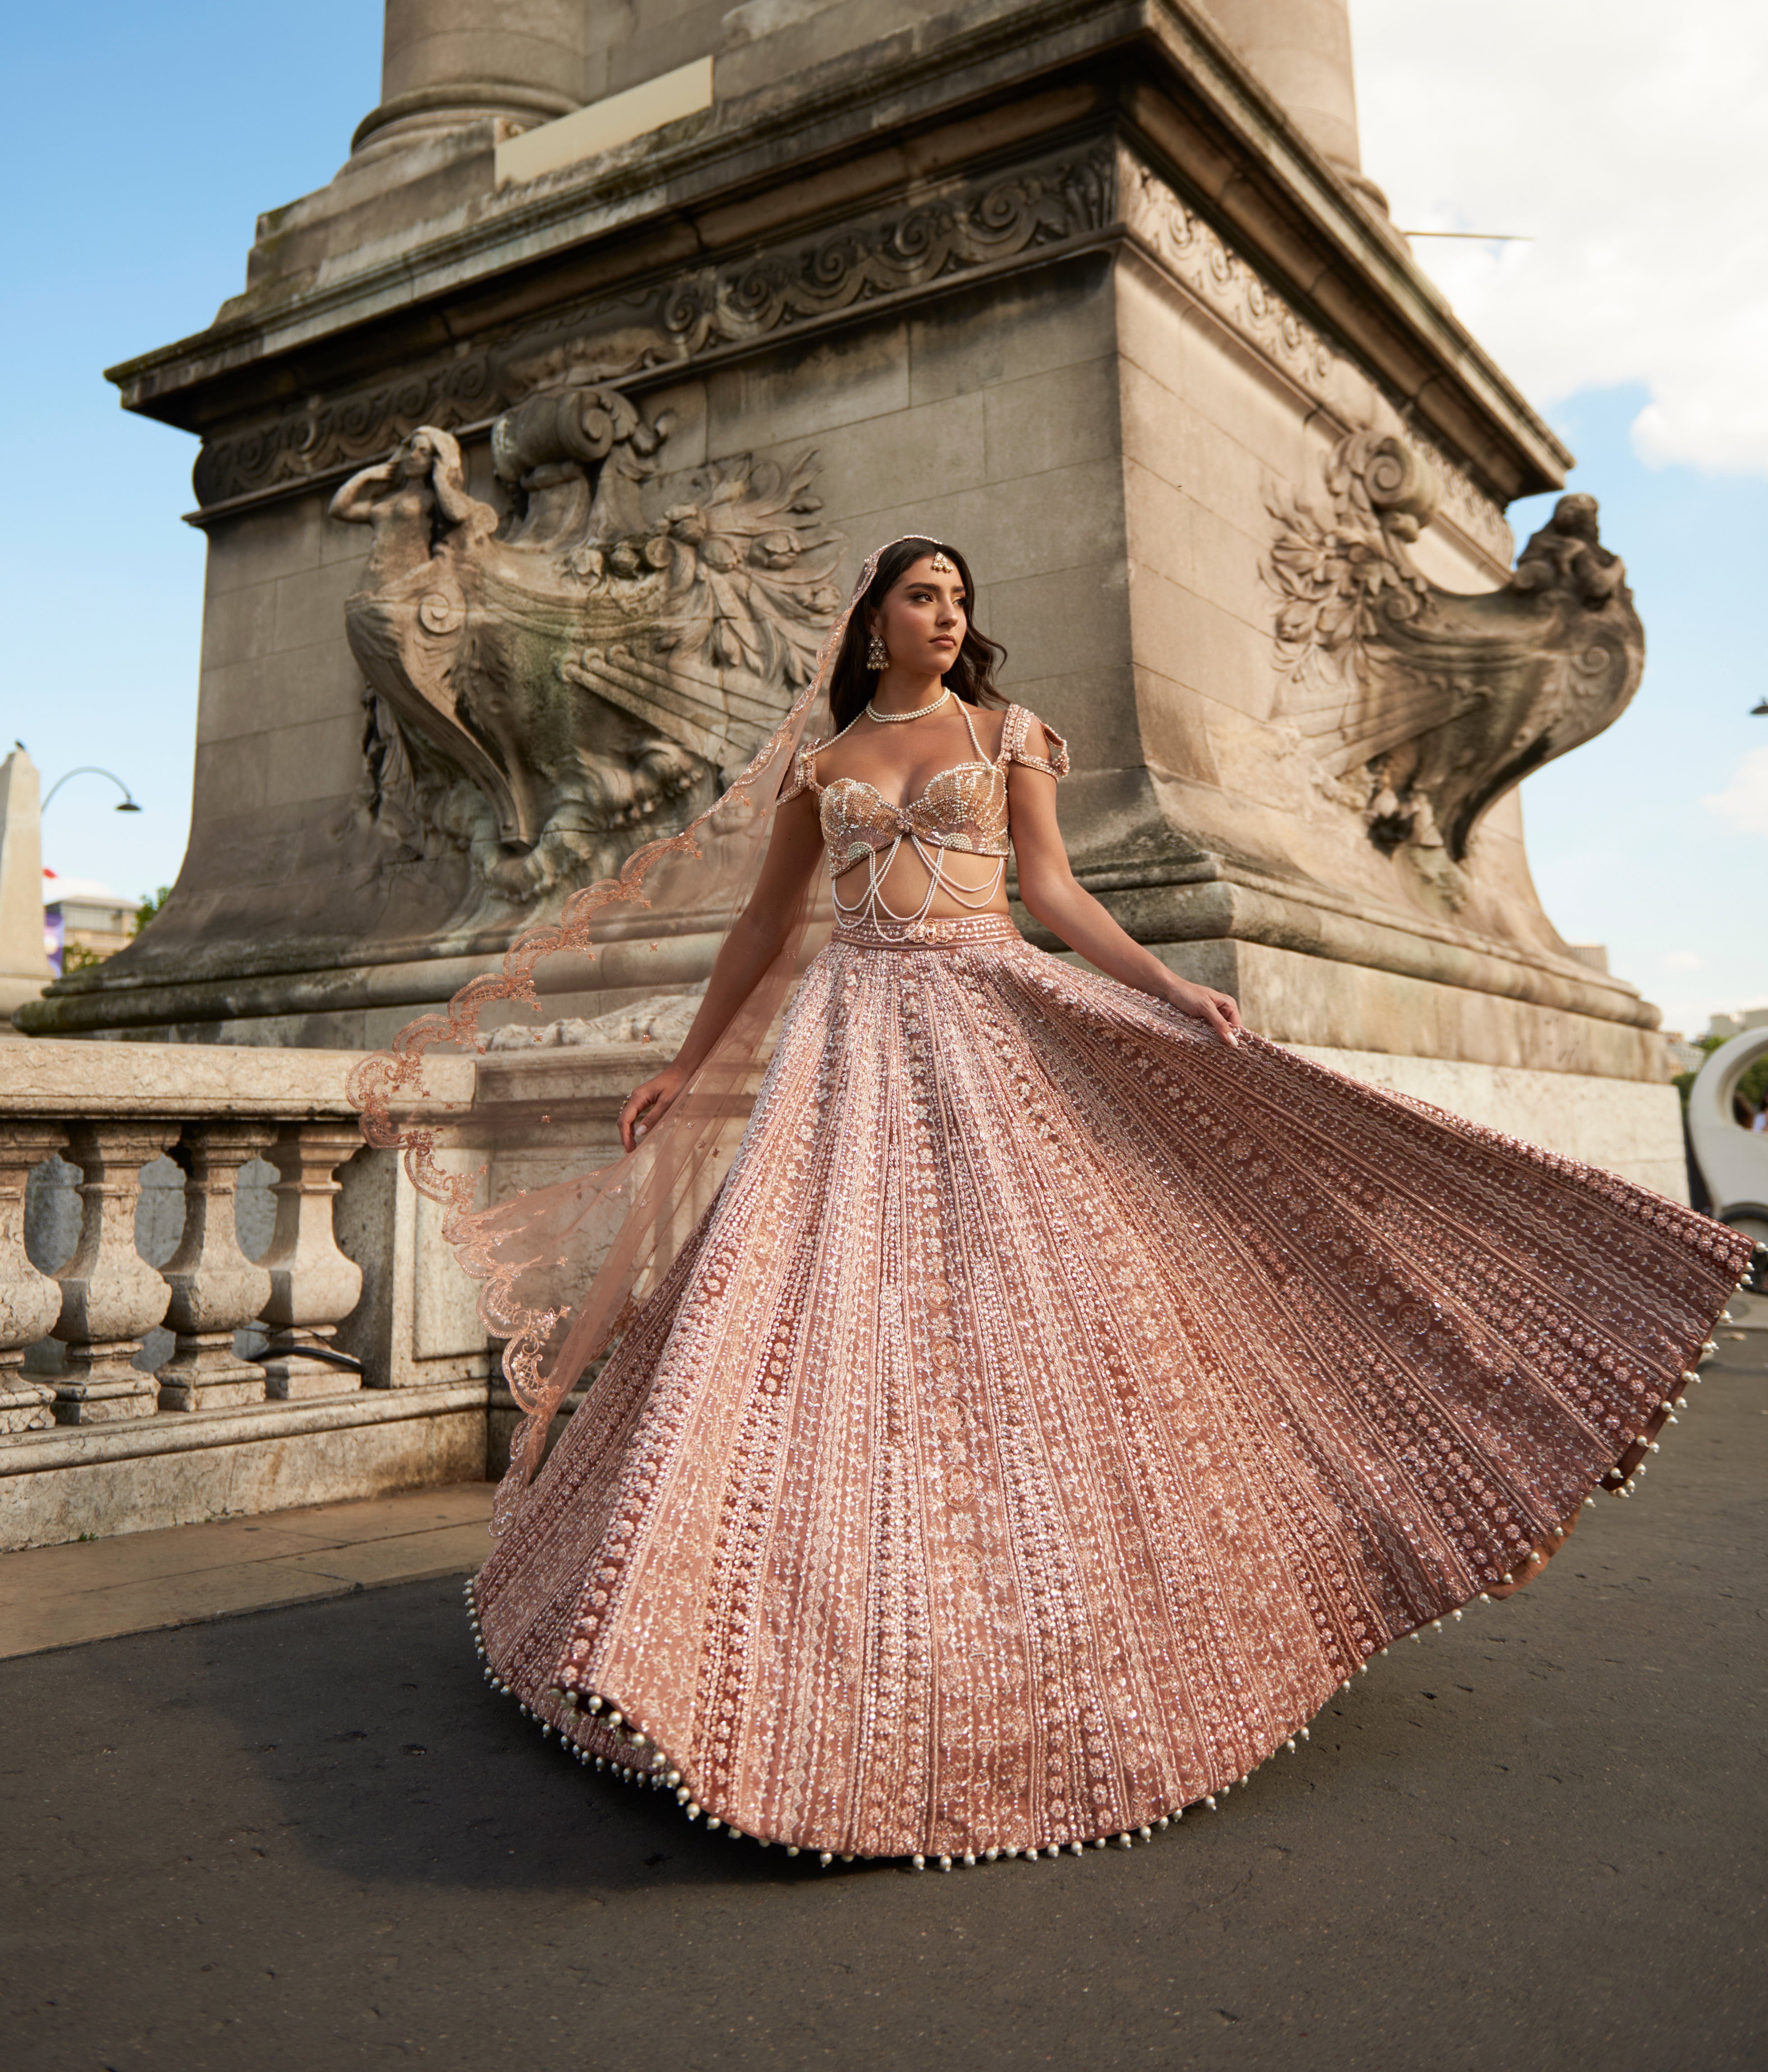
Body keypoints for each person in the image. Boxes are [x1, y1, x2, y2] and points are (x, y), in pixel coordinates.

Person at [357, 537, 1749, 1871]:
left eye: (958, 593)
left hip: (983, 1009)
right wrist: (688, 1062)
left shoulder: (1006, 734)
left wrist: (1165, 987)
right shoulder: (821, 760)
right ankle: (698, 1632)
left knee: (1039, 1290)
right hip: (844, 1039)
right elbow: (765, 927)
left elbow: (1053, 892)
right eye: (920, 594)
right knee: (798, 1311)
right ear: (871, 620)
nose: (946, 613)